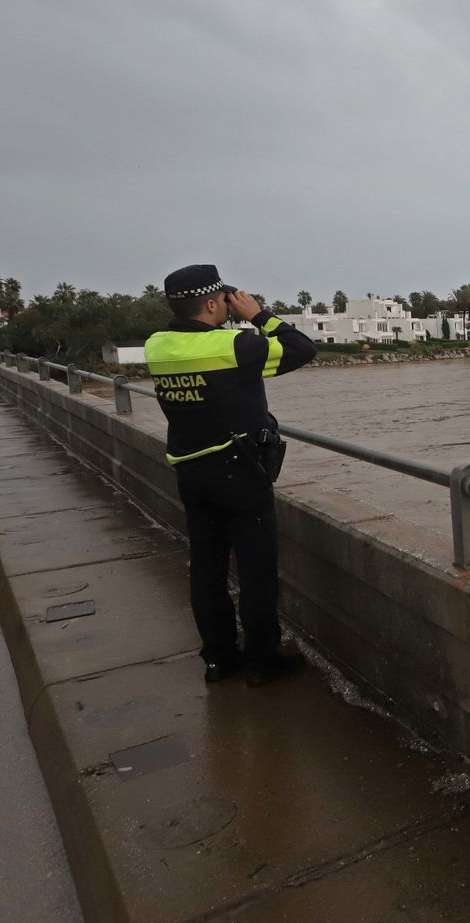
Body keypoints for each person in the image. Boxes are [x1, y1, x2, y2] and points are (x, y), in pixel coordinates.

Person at [144, 264, 316, 686]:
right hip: (239, 471)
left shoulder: (156, 346)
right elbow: (301, 347)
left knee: (207, 567)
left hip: (190, 469)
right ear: (210, 302)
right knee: (256, 569)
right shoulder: (235, 345)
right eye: (222, 299)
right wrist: (259, 314)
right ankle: (261, 662)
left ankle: (218, 658)